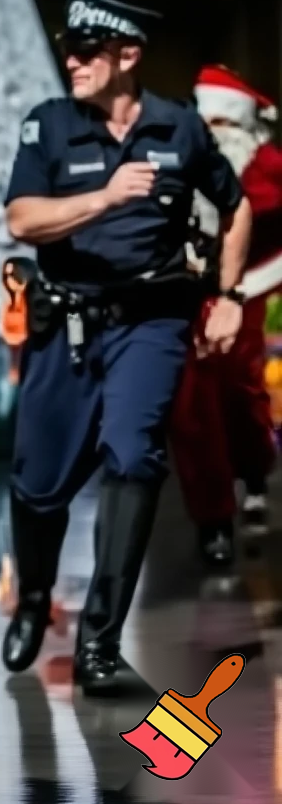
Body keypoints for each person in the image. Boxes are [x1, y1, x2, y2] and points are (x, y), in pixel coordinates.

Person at [1, 0, 251, 695]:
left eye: (86, 50)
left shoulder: (180, 126)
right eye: (68, 48)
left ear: (128, 56)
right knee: (38, 482)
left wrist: (229, 297)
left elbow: (236, 208)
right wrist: (104, 198)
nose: (71, 61)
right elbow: (22, 219)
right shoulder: (47, 126)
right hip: (70, 322)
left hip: (153, 320)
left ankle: (100, 644)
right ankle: (31, 598)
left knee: (134, 456)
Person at [172, 66, 282, 565]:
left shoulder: (270, 169)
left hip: (252, 288)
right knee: (192, 405)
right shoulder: (178, 163)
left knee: (242, 388)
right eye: (205, 119)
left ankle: (255, 468)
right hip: (189, 294)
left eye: (223, 121)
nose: (213, 131)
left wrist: (243, 292)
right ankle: (213, 520)